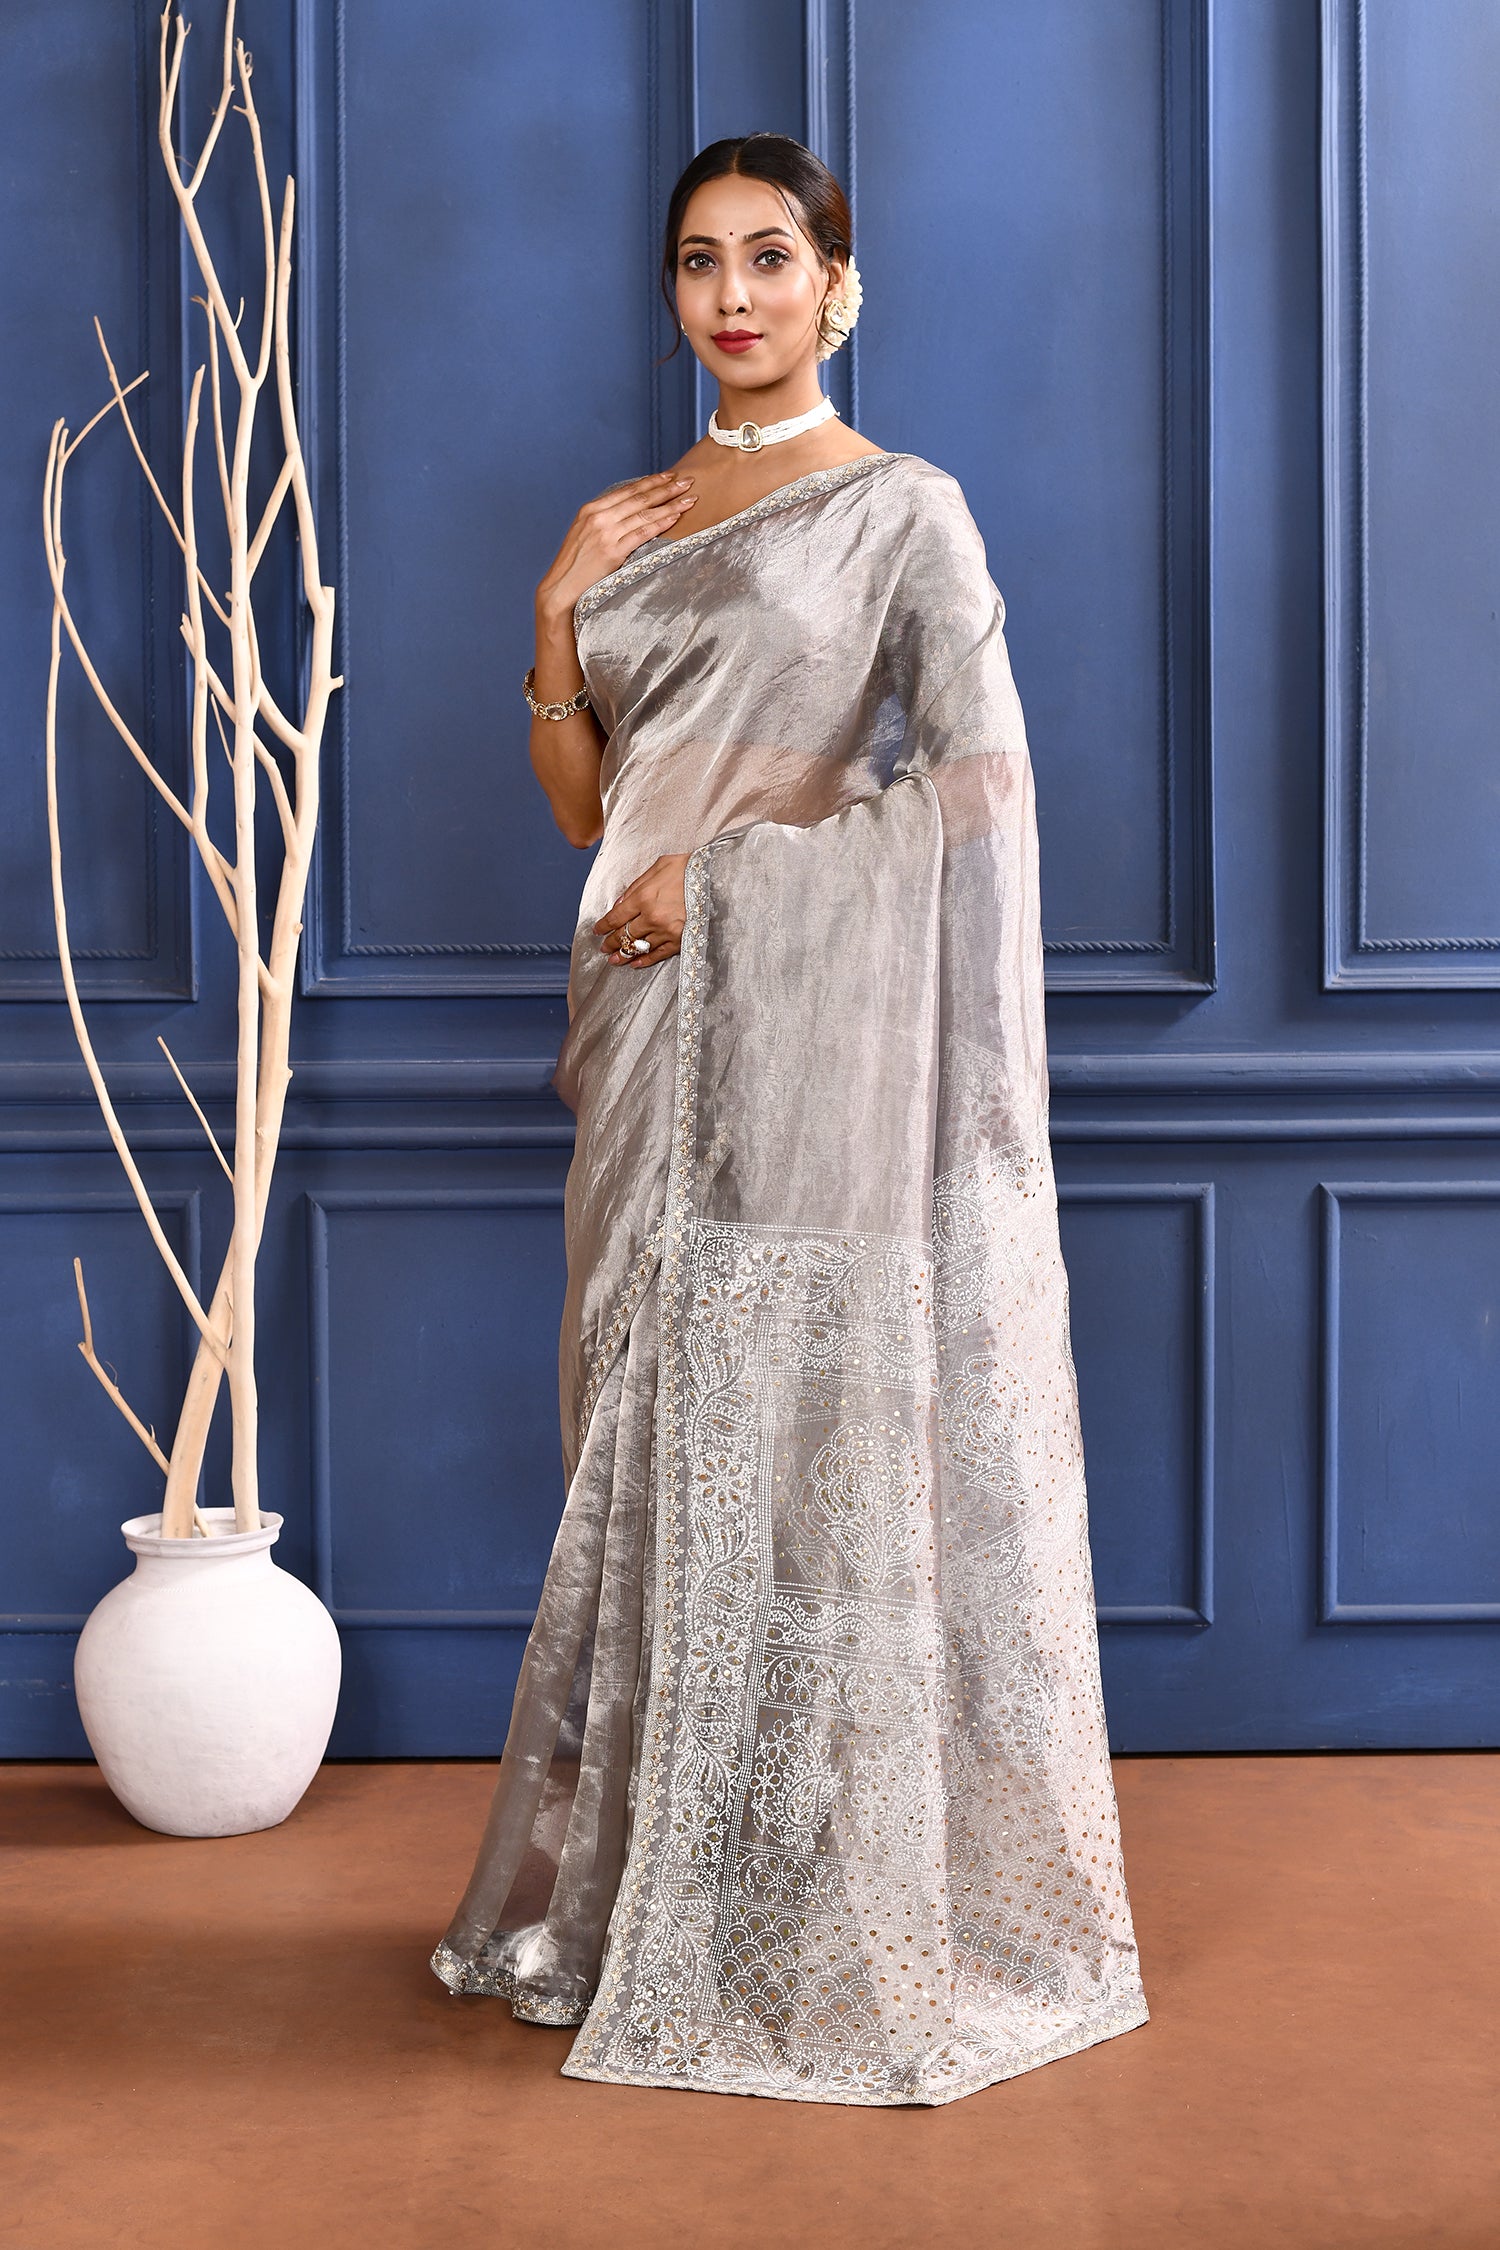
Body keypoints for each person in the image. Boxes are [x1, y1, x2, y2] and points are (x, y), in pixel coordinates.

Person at [430, 132, 1149, 2107]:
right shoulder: (635, 521)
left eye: (768, 257)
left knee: (788, 1456)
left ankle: (798, 1897)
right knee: (628, 1447)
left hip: (794, 1035)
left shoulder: (903, 510)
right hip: (630, 1028)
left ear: (837, 281)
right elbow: (586, 813)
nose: (731, 295)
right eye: (698, 261)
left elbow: (981, 795)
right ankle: (628, 1895)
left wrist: (731, 887)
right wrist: (560, 612)